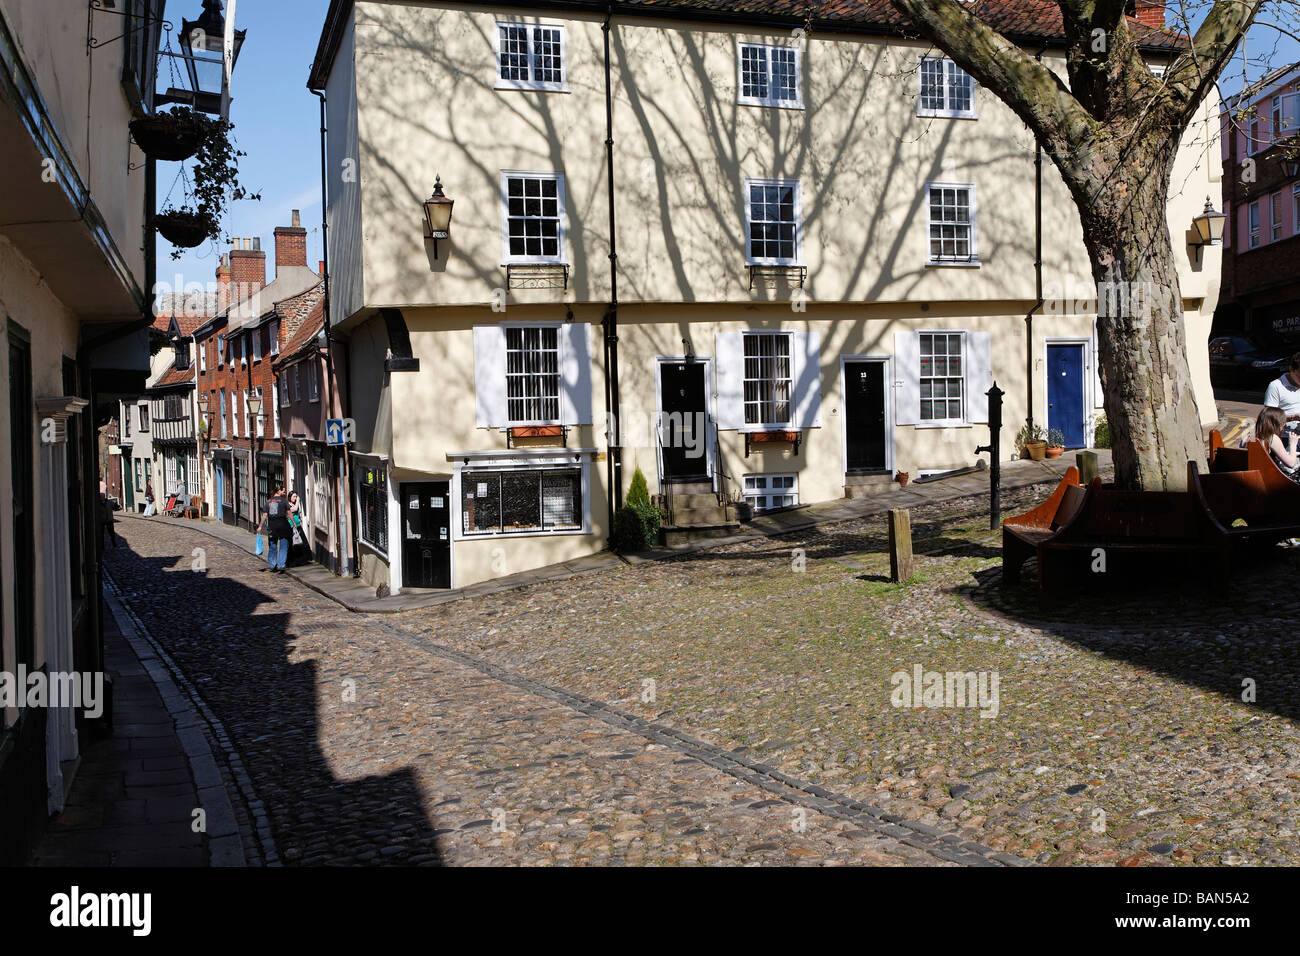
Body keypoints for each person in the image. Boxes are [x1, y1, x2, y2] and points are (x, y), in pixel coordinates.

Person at [1256, 406, 1300, 480]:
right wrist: (1293, 444)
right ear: (1277, 424)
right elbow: (1291, 463)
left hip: (1257, 472)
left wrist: (1293, 417)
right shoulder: (1272, 438)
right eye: (1283, 423)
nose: (1283, 426)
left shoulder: (1252, 435)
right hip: (1270, 477)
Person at [1264, 352, 1300, 439]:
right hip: (1286, 437)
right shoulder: (1276, 386)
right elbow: (1268, 418)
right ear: (1291, 369)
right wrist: (1293, 417)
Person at [258, 486, 292, 572]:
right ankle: (281, 564)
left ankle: (272, 565)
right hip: (283, 525)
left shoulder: (268, 502)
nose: (284, 492)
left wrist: (260, 526)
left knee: (272, 545)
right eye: (283, 491)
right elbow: (289, 513)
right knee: (283, 545)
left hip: (272, 526)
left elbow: (264, 515)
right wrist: (294, 523)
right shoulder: (284, 501)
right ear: (279, 491)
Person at [286, 491, 306, 565]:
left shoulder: (295, 504)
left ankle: (300, 560)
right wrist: (298, 501)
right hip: (291, 526)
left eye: (296, 497)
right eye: (294, 496)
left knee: (300, 543)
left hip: (298, 525)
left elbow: (298, 511)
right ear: (290, 497)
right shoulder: (287, 505)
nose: (295, 498)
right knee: (292, 544)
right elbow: (294, 509)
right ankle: (291, 560)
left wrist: (300, 518)